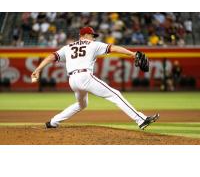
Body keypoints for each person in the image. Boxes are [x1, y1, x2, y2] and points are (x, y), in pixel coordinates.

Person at [31, 27, 159, 130]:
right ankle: (140, 119)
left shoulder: (67, 47)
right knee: (115, 94)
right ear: (85, 35)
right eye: (92, 35)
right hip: (85, 77)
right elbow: (113, 48)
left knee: (82, 104)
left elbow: (50, 57)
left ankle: (53, 122)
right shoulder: (93, 45)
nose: (93, 38)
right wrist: (133, 53)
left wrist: (37, 69)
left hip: (72, 80)